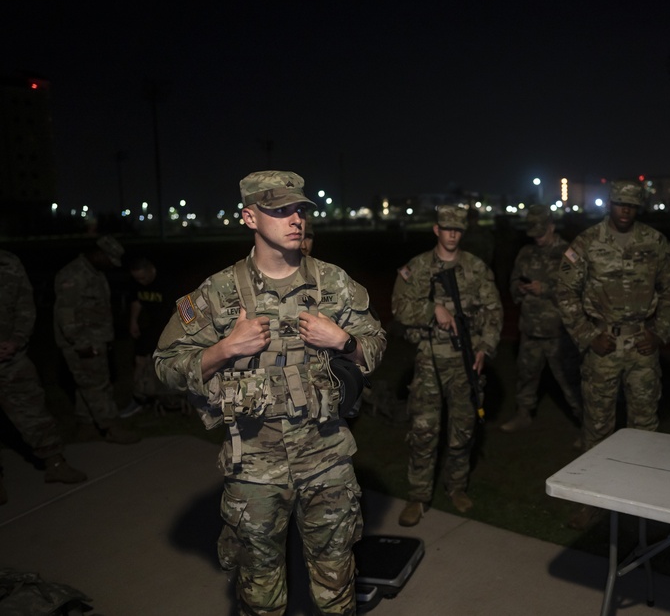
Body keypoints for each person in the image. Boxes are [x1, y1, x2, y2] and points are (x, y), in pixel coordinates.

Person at [154, 170, 386, 615]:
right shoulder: (218, 293)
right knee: (260, 592)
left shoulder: (332, 283)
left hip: (327, 458)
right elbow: (164, 366)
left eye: (299, 209)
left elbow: (376, 345)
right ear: (248, 217)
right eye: (279, 210)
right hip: (254, 470)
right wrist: (224, 349)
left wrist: (344, 342)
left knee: (337, 584)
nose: (294, 219)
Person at [556, 179, 670, 528]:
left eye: (631, 205)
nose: (625, 210)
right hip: (603, 348)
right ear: (610, 204)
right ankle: (593, 500)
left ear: (638, 207)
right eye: (620, 204)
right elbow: (565, 291)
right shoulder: (587, 242)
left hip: (642, 346)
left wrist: (659, 333)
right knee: (597, 427)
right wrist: (586, 335)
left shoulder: (655, 243)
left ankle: (640, 497)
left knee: (644, 426)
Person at [390, 205, 502, 527]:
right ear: (436, 229)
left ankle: (456, 487)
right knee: (424, 431)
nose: (452, 234)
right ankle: (418, 495)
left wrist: (485, 348)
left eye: (458, 229)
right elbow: (399, 306)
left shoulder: (476, 269)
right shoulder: (418, 267)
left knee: (463, 429)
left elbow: (494, 311)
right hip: (429, 360)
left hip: (466, 361)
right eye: (446, 228)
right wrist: (432, 309)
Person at [0, 250, 87, 505]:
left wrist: (16, 340)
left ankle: (55, 463)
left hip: (10, 358)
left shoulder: (8, 263)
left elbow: (25, 304)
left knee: (33, 411)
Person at [501, 205, 582, 434]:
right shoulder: (526, 253)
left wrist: (544, 288)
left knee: (570, 382)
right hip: (530, 329)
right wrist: (520, 288)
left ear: (552, 227)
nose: (537, 239)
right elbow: (512, 283)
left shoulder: (568, 254)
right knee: (526, 377)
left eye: (541, 233)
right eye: (533, 234)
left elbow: (578, 290)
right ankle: (523, 414)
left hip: (559, 332)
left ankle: (587, 425)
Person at [53, 235, 139, 444]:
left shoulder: (94, 273)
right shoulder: (73, 275)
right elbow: (67, 315)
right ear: (99, 254)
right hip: (82, 342)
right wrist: (81, 344)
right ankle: (111, 426)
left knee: (87, 385)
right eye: (109, 259)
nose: (111, 265)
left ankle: (86, 427)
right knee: (97, 386)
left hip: (95, 339)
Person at [122, 256, 179, 417]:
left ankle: (167, 399)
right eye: (136, 278)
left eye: (142, 277)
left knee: (162, 364)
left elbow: (176, 308)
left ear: (150, 270)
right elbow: (136, 302)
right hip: (146, 326)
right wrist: (133, 322)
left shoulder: (166, 282)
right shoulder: (136, 282)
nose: (140, 281)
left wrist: (173, 334)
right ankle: (139, 398)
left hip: (165, 327)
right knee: (140, 361)